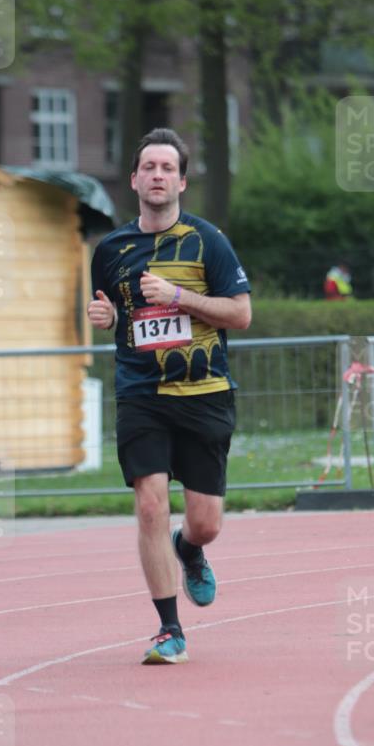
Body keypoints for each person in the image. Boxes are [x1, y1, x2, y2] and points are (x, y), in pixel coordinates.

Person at [88, 127, 252, 665]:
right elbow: (117, 314)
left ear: (181, 180)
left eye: (167, 168)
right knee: (150, 504)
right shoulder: (110, 250)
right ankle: (168, 629)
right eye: (148, 167)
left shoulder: (208, 241)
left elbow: (241, 314)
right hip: (141, 393)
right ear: (134, 178)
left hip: (203, 392)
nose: (157, 176)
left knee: (205, 522)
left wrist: (179, 295)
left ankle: (191, 549)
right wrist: (106, 317)